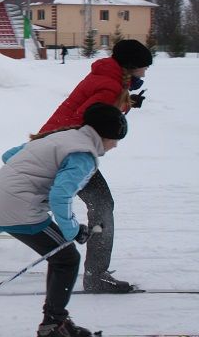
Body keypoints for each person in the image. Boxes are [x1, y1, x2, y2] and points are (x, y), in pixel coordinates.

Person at [0, 103, 128, 337]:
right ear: (104, 136)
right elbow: (61, 195)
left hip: (3, 203)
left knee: (61, 258)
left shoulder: (63, 136)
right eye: (115, 139)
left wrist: (32, 183)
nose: (115, 145)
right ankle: (51, 330)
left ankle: (56, 322)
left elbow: (9, 155)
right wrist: (73, 230)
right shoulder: (84, 155)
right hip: (19, 209)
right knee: (67, 259)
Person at [38, 37, 151, 292]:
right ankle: (96, 275)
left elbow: (94, 110)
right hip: (68, 150)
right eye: (143, 67)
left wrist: (127, 102)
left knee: (30, 199)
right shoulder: (110, 85)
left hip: (55, 145)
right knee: (102, 204)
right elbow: (89, 119)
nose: (145, 72)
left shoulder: (108, 77)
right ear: (131, 66)